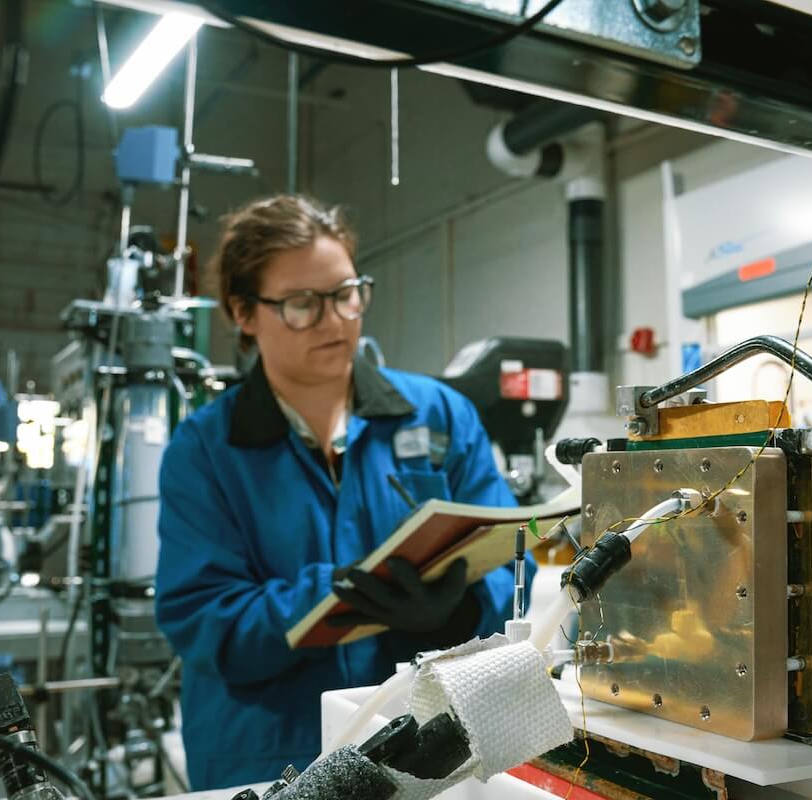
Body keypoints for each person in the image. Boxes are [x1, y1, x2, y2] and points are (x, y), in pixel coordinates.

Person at [154, 194, 534, 790]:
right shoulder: (206, 449)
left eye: (346, 293)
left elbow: (514, 560)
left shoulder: (437, 415)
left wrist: (456, 608)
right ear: (245, 313)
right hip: (271, 751)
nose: (335, 320)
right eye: (303, 304)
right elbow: (204, 619)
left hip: (420, 746)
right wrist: (337, 595)